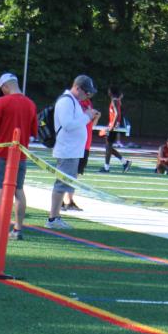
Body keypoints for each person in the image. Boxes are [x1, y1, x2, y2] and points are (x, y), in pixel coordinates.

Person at [0, 73, 39, 241]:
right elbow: (35, 130)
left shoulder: (2, 102)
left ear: (4, 87)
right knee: (18, 190)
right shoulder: (30, 103)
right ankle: (18, 229)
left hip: (0, 152)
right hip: (20, 153)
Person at [46, 75, 94, 229]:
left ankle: (55, 217)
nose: (87, 95)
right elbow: (67, 125)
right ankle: (53, 218)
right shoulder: (66, 101)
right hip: (67, 150)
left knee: (64, 184)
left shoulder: (73, 101)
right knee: (61, 185)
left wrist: (86, 116)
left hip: (72, 150)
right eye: (86, 92)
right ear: (77, 88)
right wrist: (87, 117)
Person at [62, 82, 99, 212]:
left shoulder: (88, 103)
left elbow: (91, 125)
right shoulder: (75, 102)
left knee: (76, 173)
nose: (89, 94)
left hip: (86, 143)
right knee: (69, 172)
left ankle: (68, 199)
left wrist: (95, 117)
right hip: (76, 143)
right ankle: (65, 200)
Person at [101, 87, 132, 172]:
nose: (108, 92)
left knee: (108, 147)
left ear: (111, 93)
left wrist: (112, 126)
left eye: (109, 91)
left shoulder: (114, 101)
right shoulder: (117, 101)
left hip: (113, 127)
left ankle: (106, 167)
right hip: (114, 126)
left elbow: (117, 114)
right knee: (108, 147)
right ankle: (125, 162)